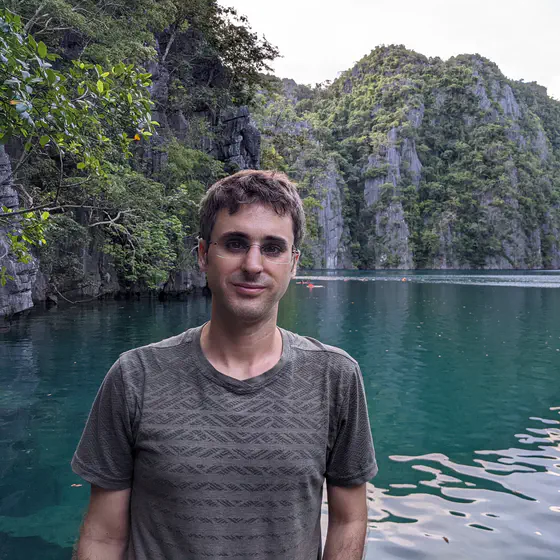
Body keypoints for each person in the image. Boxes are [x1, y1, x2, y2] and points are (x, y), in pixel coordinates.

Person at [71, 170, 378, 560]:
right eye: (235, 243)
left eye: (272, 248)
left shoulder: (335, 377)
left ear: (293, 263)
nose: (253, 264)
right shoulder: (136, 377)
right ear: (203, 255)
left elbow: (349, 519)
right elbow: (103, 535)